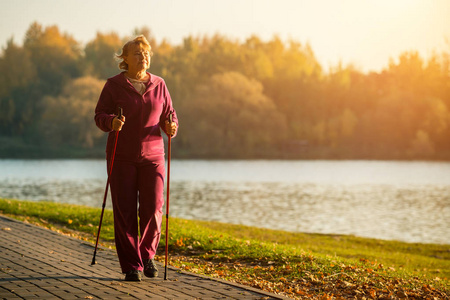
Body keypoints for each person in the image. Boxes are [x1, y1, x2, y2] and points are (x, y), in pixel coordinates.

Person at [94, 35, 178, 282]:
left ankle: (147, 255)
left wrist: (171, 126)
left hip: (153, 156)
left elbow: (169, 114)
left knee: (153, 209)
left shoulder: (159, 84)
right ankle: (132, 265)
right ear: (125, 59)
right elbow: (99, 115)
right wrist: (112, 122)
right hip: (121, 156)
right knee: (125, 211)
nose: (144, 57)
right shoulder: (113, 85)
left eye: (146, 53)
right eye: (138, 54)